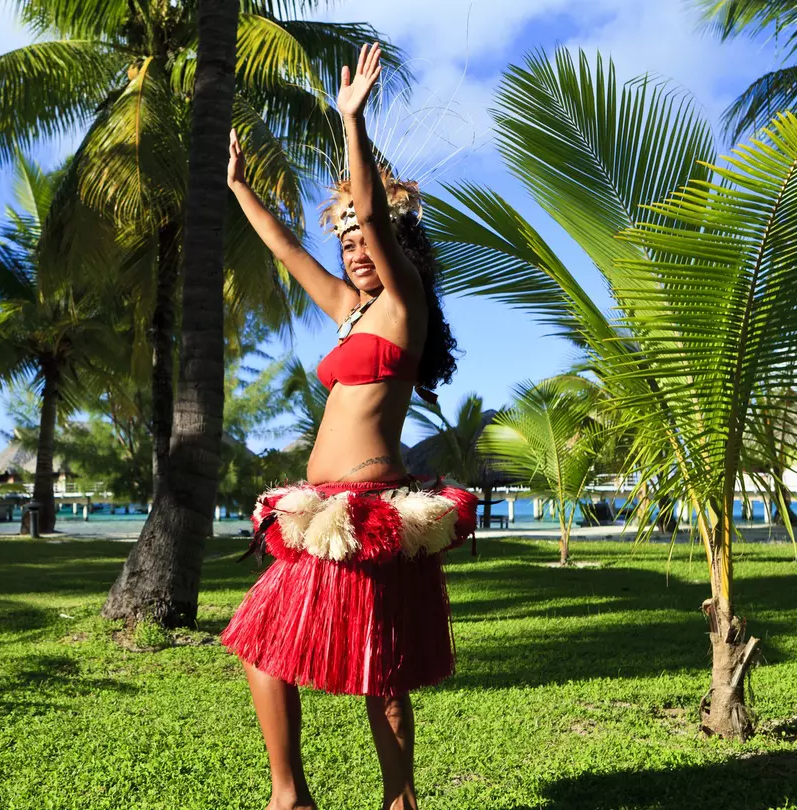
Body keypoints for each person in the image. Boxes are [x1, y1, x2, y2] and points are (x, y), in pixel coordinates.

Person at [220, 43, 476, 810]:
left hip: (369, 516)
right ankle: (288, 794)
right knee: (259, 643)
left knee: (382, 674)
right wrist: (239, 190)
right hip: (319, 511)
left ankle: (400, 801)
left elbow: (368, 209)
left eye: (367, 241)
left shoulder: (404, 309)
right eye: (348, 244)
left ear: (397, 246)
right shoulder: (350, 310)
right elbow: (286, 248)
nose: (354, 248)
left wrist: (351, 121)